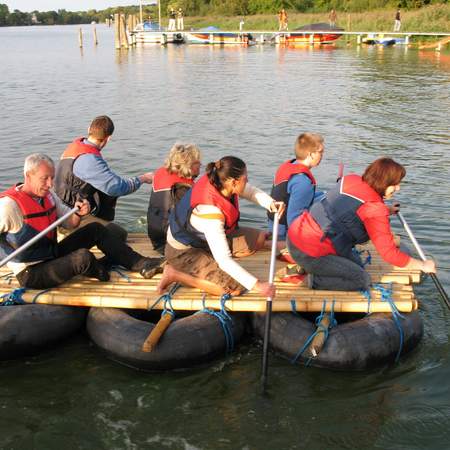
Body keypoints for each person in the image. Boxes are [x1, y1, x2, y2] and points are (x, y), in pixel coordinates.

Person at [0, 154, 163, 289]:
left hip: (51, 254)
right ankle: (102, 268)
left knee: (96, 229)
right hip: (31, 272)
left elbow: (70, 223)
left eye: (52, 178)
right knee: (83, 258)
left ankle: (142, 264)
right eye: (44, 179)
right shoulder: (9, 206)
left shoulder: (48, 196)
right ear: (28, 176)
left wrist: (79, 213)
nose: (50, 184)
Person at [286, 157, 436, 291]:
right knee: (361, 279)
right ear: (384, 182)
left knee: (358, 265)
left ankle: (306, 266)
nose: (398, 188)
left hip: (295, 235)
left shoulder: (352, 179)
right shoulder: (375, 210)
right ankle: (309, 280)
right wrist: (422, 265)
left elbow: (349, 209)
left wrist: (387, 210)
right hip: (310, 251)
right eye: (395, 184)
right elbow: (389, 254)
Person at [157, 156, 285, 298]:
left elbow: (250, 191)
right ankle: (174, 274)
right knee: (232, 289)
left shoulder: (222, 181)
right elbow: (224, 260)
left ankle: (209, 257)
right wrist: (258, 285)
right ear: (233, 182)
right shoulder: (210, 212)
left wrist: (271, 204)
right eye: (245, 178)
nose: (247, 181)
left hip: (202, 239)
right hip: (184, 251)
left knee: (260, 239)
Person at [54, 115, 153, 241]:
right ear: (108, 138)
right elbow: (117, 187)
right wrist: (143, 179)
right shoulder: (89, 159)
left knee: (103, 191)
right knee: (119, 235)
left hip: (61, 206)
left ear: (89, 128)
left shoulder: (76, 146)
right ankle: (69, 233)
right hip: (70, 214)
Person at [268, 133, 325, 241]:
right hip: (284, 235)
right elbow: (294, 221)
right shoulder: (303, 182)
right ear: (310, 154)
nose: (322, 155)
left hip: (274, 226)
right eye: (320, 152)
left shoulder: (288, 166)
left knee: (324, 197)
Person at [147, 143, 201, 253]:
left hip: (155, 236)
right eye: (197, 162)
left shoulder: (160, 172)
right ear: (188, 164)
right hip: (171, 241)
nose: (200, 164)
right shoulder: (183, 187)